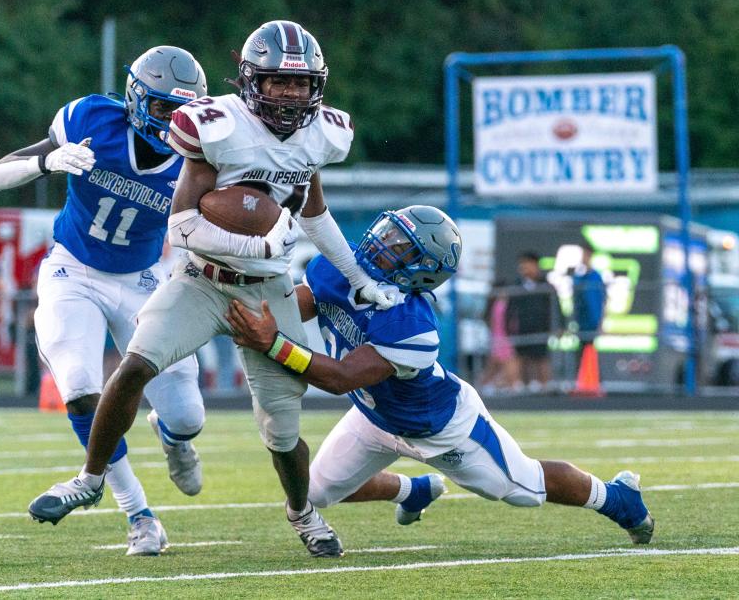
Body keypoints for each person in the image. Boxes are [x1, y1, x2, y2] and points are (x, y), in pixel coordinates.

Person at [28, 20, 402, 559]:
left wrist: (360, 277)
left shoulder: (324, 133)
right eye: (278, 82)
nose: (290, 94)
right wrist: (262, 244)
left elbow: (315, 215)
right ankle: (90, 479)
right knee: (135, 365)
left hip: (267, 289)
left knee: (282, 428)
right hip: (201, 277)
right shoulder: (214, 124)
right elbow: (180, 226)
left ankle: (302, 512)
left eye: (299, 84)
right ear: (253, 81)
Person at [225, 205, 655, 546]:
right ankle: (410, 490)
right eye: (390, 233)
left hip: (440, 427)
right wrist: (263, 316)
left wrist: (272, 343)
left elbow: (339, 378)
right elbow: (303, 303)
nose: (383, 245)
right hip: (374, 419)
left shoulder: (413, 326)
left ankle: (617, 497)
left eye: (401, 247)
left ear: (421, 272)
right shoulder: (338, 266)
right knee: (313, 493)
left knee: (523, 489)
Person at [0, 46, 209, 556]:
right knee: (79, 383)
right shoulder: (93, 119)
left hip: (143, 278)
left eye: (183, 112)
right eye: (161, 109)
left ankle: (173, 437)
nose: (173, 122)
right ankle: (140, 515)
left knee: (188, 415)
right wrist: (47, 160)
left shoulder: (202, 150)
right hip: (74, 268)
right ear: (135, 100)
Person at [505, 251, 560, 393]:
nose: (524, 268)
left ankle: (546, 389)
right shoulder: (516, 286)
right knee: (520, 358)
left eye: (527, 264)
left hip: (541, 329)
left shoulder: (546, 286)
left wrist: (559, 326)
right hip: (522, 329)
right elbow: (509, 310)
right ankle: (519, 389)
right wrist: (508, 329)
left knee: (541, 359)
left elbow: (556, 308)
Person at [477, 279, 522, 394]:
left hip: (502, 338)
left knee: (497, 366)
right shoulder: (498, 303)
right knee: (499, 365)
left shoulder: (500, 303)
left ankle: (508, 384)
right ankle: (512, 385)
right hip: (500, 337)